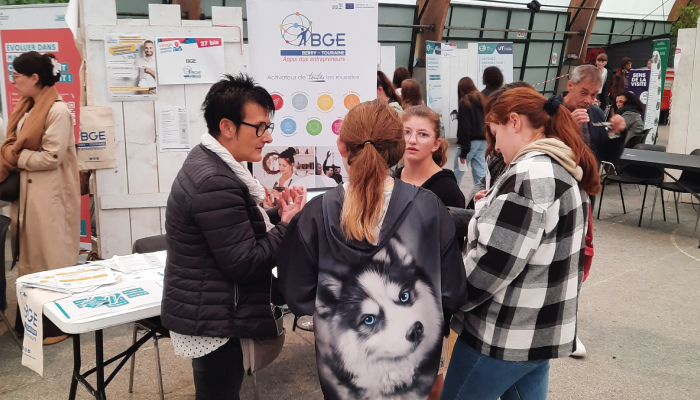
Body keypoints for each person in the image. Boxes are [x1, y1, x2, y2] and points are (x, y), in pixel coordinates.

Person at [278, 99, 468, 400]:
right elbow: (452, 293)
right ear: (398, 147)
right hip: (416, 377)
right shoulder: (431, 208)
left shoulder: (315, 214)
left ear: (341, 146)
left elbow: (298, 294)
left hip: (340, 379)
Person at [441, 87, 601, 400]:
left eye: (495, 132)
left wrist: (447, 298)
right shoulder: (561, 167)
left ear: (514, 122)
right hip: (538, 335)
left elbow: (492, 264)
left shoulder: (529, 175)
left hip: (502, 336)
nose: (496, 145)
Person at [161, 74, 305, 400]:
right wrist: (287, 224)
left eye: (268, 126)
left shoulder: (209, 162)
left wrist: (277, 215)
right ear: (227, 127)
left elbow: (232, 228)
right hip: (216, 320)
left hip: (210, 310)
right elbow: (245, 261)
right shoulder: (215, 180)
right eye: (259, 127)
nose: (267, 137)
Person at [1, 52, 80, 345]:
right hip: (30, 196)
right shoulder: (27, 107)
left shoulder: (57, 111)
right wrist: (15, 153)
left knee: (49, 261)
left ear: (34, 78)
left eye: (17, 76)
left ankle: (56, 326)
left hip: (49, 197)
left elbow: (52, 156)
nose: (13, 82)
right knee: (30, 260)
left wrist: (17, 157)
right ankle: (31, 324)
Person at [456, 77, 487, 185]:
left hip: (469, 143)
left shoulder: (465, 102)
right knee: (480, 173)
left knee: (457, 174)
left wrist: (464, 152)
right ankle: (484, 193)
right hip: (482, 141)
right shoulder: (482, 99)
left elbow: (465, 127)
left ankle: (451, 195)